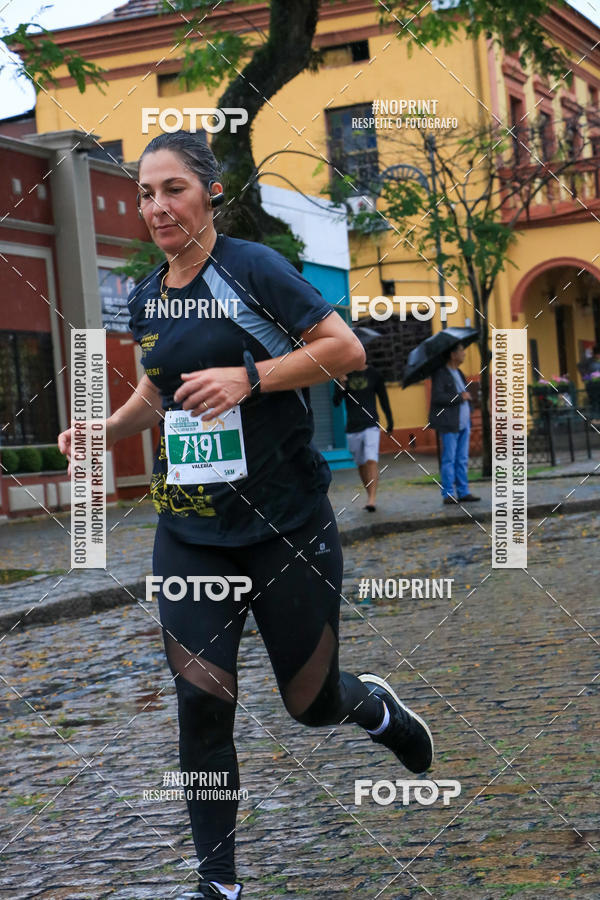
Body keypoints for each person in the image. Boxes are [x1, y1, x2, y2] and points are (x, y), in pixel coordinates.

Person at [58, 131, 433, 900]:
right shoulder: (150, 295)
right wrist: (108, 427)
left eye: (173, 189)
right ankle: (219, 883)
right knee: (201, 700)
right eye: (144, 194)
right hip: (190, 531)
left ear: (211, 192)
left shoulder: (252, 267)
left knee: (309, 703)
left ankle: (373, 707)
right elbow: (159, 389)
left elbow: (345, 348)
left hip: (286, 524)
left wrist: (250, 377)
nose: (156, 207)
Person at [333, 364, 393, 511]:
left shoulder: (374, 374)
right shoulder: (343, 373)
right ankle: (369, 495)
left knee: (371, 460)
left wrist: (390, 421)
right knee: (361, 464)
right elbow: (336, 402)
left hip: (371, 424)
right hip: (353, 427)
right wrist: (342, 385)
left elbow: (383, 398)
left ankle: (372, 500)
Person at [429, 342, 480, 506]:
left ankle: (464, 492)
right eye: (461, 351)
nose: (464, 354)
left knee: (462, 458)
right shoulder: (440, 374)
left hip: (464, 422)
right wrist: (459, 397)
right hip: (449, 423)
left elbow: (464, 394)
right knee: (449, 459)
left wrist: (467, 401)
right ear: (452, 355)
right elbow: (438, 397)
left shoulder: (459, 372)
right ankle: (448, 493)